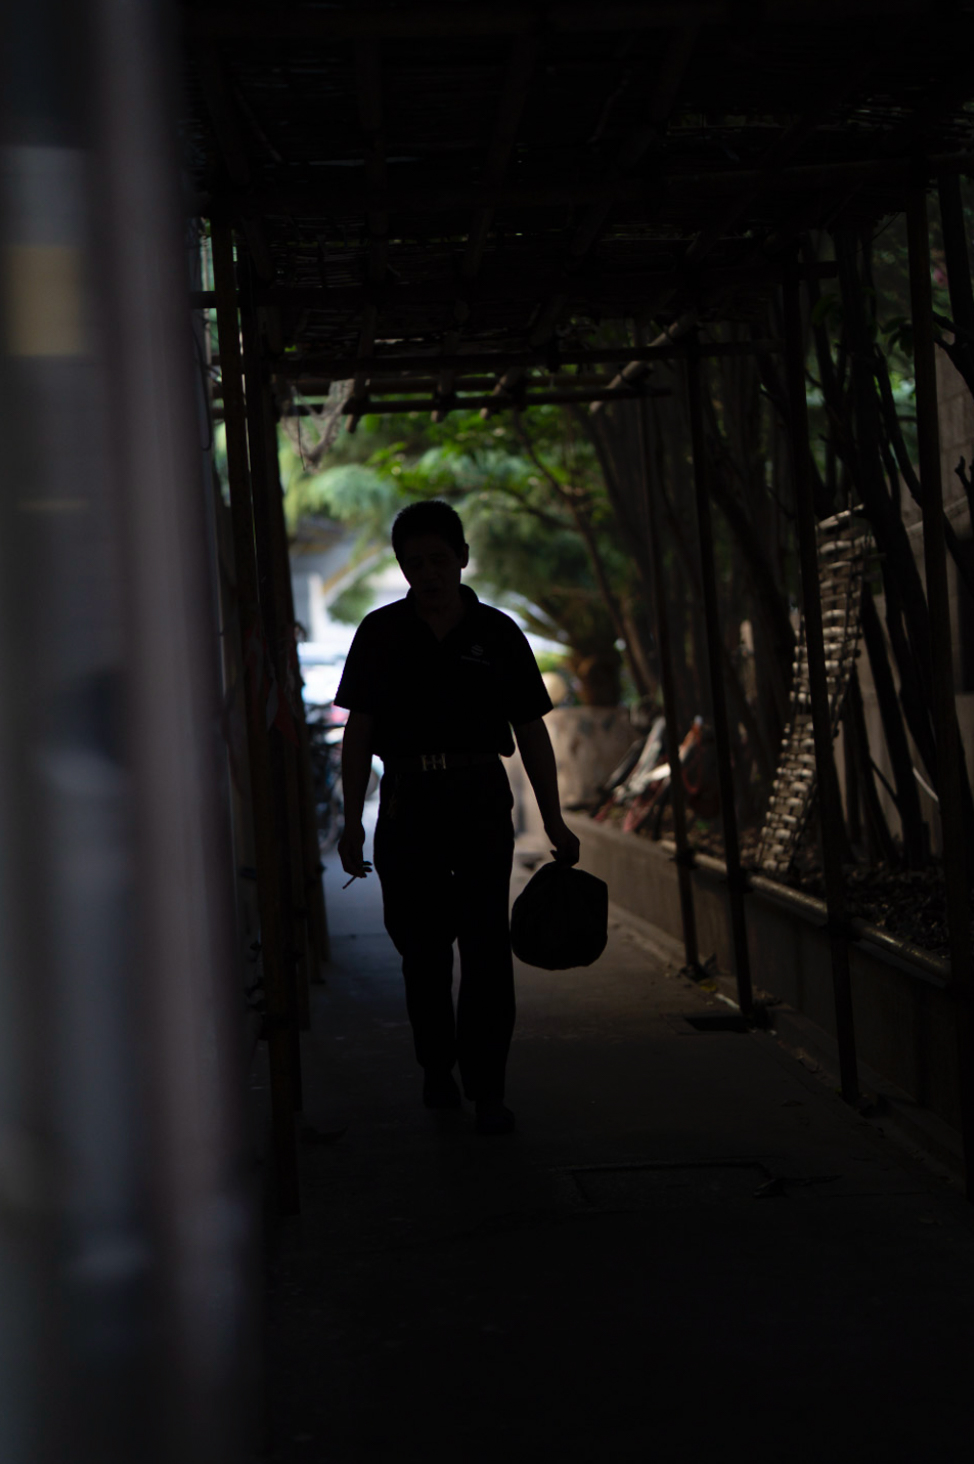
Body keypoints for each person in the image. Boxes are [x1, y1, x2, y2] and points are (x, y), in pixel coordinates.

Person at [336, 500, 580, 1135]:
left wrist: (553, 820)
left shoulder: (497, 633)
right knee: (421, 951)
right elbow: (358, 733)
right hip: (408, 803)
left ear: (463, 558)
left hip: (477, 797)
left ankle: (489, 1089)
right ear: (402, 567)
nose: (428, 573)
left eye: (439, 559)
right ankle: (436, 1068)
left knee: (486, 949)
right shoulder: (380, 633)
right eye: (413, 563)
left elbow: (532, 731)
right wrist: (350, 819)